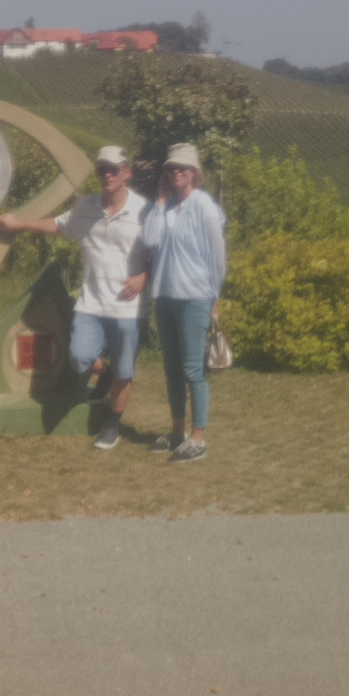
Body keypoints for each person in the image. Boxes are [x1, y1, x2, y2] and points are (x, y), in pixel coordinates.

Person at [0, 144, 147, 450]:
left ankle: (111, 425)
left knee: (125, 370)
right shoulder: (86, 208)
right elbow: (58, 225)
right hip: (91, 304)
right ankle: (105, 373)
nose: (107, 175)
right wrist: (20, 225)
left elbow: (161, 250)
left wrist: (145, 277)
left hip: (127, 308)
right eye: (101, 170)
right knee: (80, 358)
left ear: (126, 173)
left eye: (113, 169)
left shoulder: (144, 211)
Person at [139, 142, 226, 465]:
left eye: (183, 167)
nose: (176, 172)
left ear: (194, 172)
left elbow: (217, 255)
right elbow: (150, 239)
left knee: (192, 370)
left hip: (194, 297)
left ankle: (198, 438)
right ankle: (177, 432)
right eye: (172, 168)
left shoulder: (204, 206)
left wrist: (214, 294)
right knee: (172, 369)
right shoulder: (165, 207)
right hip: (165, 295)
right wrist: (160, 201)